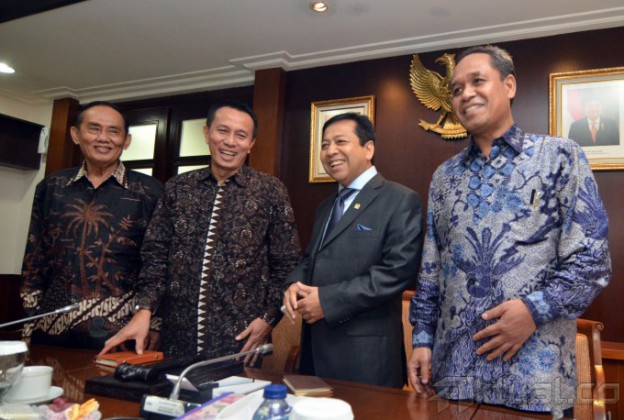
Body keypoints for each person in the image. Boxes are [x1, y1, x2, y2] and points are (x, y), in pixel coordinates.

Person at [408, 45, 611, 417]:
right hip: (455, 380)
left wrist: (533, 311)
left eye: (478, 81)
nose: (465, 94)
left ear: (509, 85)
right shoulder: (444, 177)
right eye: (456, 89)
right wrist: (421, 338)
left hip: (535, 385)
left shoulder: (559, 157)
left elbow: (592, 262)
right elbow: (431, 269)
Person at [101, 100, 301, 360]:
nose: (230, 141)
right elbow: (155, 255)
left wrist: (268, 319)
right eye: (222, 130)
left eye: (241, 135)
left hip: (242, 338)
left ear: (251, 143)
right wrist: (144, 309)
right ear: (207, 133)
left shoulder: (270, 191)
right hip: (177, 335)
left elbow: (287, 263)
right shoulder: (177, 188)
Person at [283, 113, 422, 388]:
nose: (330, 151)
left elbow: (397, 271)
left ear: (368, 148)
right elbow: (312, 259)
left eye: (340, 142)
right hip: (315, 352)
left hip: (366, 359)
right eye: (324, 145)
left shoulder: (400, 199)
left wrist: (328, 301)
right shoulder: (326, 206)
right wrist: (293, 283)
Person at [21, 101, 164, 350]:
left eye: (114, 131)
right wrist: (29, 322)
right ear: (76, 134)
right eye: (94, 129)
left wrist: (155, 322)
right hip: (52, 325)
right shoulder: (51, 187)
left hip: (124, 330)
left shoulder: (151, 191)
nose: (103, 138)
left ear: (126, 140)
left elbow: (158, 262)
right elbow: (35, 256)